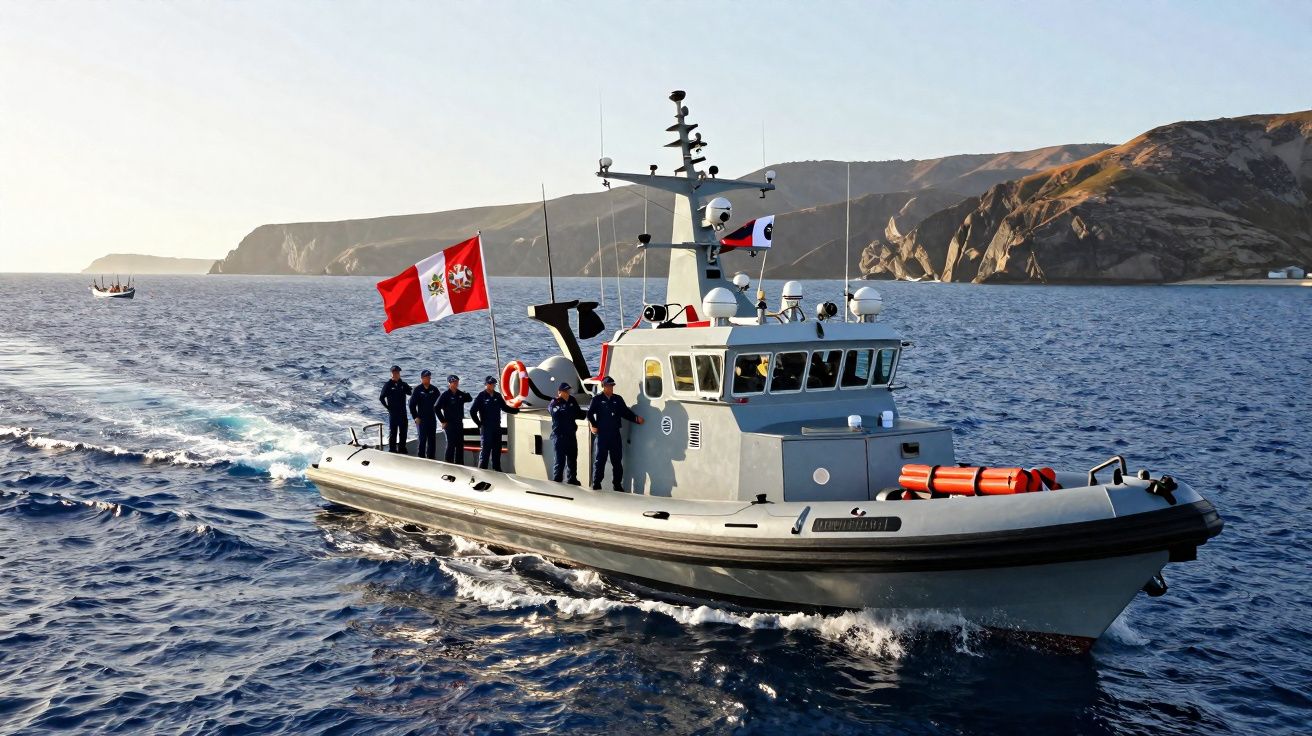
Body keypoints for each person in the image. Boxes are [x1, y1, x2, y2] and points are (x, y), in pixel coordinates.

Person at [586, 376, 644, 491]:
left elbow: (625, 412)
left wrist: (635, 418)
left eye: (612, 385)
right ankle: (597, 483)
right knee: (600, 461)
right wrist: (594, 425)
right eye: (609, 385)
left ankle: (617, 484)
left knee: (617, 461)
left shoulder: (617, 399)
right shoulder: (597, 399)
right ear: (603, 386)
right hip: (602, 435)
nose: (611, 388)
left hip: (615, 435)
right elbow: (590, 414)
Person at [469, 376, 520, 470]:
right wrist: (479, 424)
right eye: (490, 384)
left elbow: (505, 408)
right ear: (486, 384)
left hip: (496, 427)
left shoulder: (497, 395)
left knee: (497, 451)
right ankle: (482, 471)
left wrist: (517, 410)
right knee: (485, 451)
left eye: (493, 384)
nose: (492, 385)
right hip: (486, 427)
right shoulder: (481, 396)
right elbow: (472, 411)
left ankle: (497, 471)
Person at [548, 382, 582, 485]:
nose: (567, 392)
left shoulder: (572, 400)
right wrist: (567, 412)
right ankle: (557, 481)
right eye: (565, 391)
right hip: (560, 437)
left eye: (568, 390)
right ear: (559, 392)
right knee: (560, 461)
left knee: (572, 459)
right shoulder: (555, 402)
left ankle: (572, 479)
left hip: (571, 435)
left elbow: (579, 413)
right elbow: (553, 412)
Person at [436, 374, 473, 465]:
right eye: (453, 382)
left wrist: (465, 394)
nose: (455, 383)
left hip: (459, 423)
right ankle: (448, 464)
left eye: (456, 382)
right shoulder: (445, 395)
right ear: (449, 383)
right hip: (449, 424)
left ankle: (460, 464)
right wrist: (443, 421)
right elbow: (436, 407)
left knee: (460, 445)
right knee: (451, 444)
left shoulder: (460, 394)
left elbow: (469, 399)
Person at [378, 365, 413, 453]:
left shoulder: (402, 384)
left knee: (403, 432)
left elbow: (410, 393)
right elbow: (381, 397)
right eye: (394, 373)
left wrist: (409, 388)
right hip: (393, 413)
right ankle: (392, 449)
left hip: (403, 412)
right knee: (393, 432)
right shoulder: (388, 385)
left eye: (397, 373)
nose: (396, 374)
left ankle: (402, 448)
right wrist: (388, 407)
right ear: (391, 374)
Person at [409, 369, 441, 459]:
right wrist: (415, 417)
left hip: (431, 418)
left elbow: (440, 402)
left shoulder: (434, 390)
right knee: (422, 439)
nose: (428, 379)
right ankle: (421, 457)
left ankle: (431, 457)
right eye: (426, 377)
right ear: (422, 378)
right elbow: (411, 405)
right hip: (421, 419)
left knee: (432, 439)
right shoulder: (418, 390)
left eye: (429, 377)